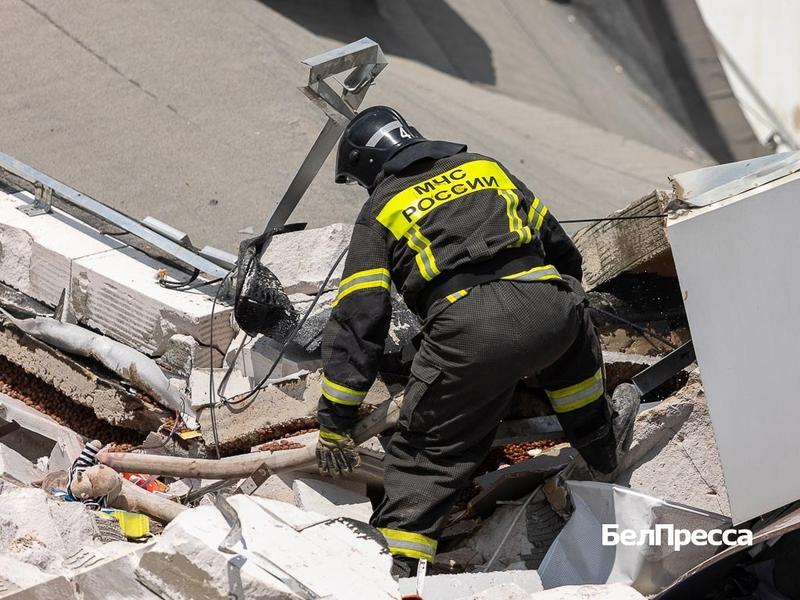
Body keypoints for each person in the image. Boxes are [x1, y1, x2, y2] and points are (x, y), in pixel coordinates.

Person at [314, 106, 636, 576]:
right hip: (550, 302)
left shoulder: (380, 207)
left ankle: (400, 569)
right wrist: (554, 311)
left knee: (427, 455)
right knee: (574, 370)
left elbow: (360, 319)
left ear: (368, 168)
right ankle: (602, 448)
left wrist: (335, 420)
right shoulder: (485, 166)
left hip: (469, 332)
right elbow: (561, 247)